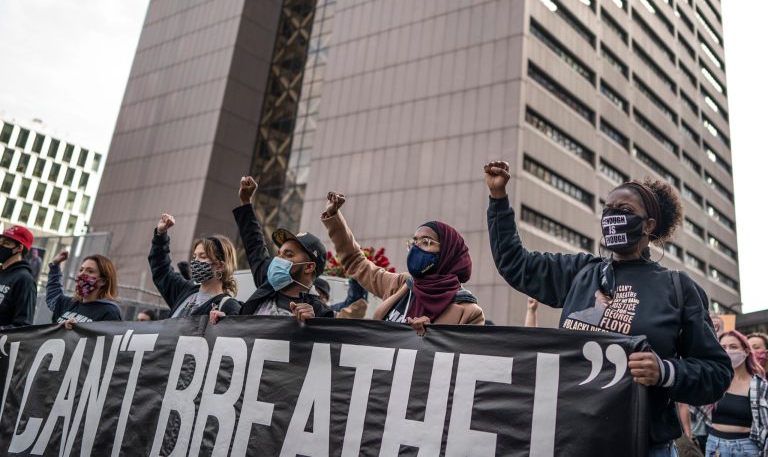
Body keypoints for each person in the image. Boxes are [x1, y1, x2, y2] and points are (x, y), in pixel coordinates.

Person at [484, 160, 731, 455]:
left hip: (644, 444)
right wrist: (498, 199)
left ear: (649, 225)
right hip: (574, 438)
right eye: (607, 210)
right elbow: (515, 264)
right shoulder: (580, 273)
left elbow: (716, 373)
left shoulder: (678, 289)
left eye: (624, 211)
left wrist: (664, 371)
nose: (612, 217)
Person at [321, 191, 484, 335]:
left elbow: (464, 362)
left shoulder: (469, 313)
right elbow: (357, 262)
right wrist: (334, 217)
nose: (416, 248)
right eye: (414, 243)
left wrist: (432, 336)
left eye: (426, 242)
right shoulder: (401, 285)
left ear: (449, 252)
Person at [210, 176, 332, 324]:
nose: (278, 260)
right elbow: (254, 245)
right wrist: (246, 201)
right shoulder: (267, 283)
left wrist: (313, 326)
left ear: (308, 267)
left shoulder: (321, 314)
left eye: (288, 255)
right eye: (279, 253)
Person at [149, 213, 242, 317]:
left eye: (202, 257)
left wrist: (224, 323)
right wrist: (160, 235)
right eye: (194, 257)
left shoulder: (228, 306)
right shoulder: (185, 291)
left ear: (220, 266)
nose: (195, 261)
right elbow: (161, 269)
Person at [706, 330, 768, 456]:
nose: (727, 351)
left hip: (746, 448)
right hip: (715, 446)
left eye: (733, 347)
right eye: (723, 347)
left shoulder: (760, 386)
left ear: (746, 351)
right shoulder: (715, 381)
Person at [46, 250, 122, 328]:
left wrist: (79, 330)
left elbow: (108, 338)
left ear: (102, 281)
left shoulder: (109, 311)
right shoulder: (69, 303)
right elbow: (53, 293)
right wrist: (55, 265)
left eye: (90, 271)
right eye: (81, 270)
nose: (82, 274)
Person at [0, 225, 37, 329]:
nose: (1, 245)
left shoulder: (25, 280)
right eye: (0, 242)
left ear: (19, 248)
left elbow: (23, 326)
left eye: (6, 243)